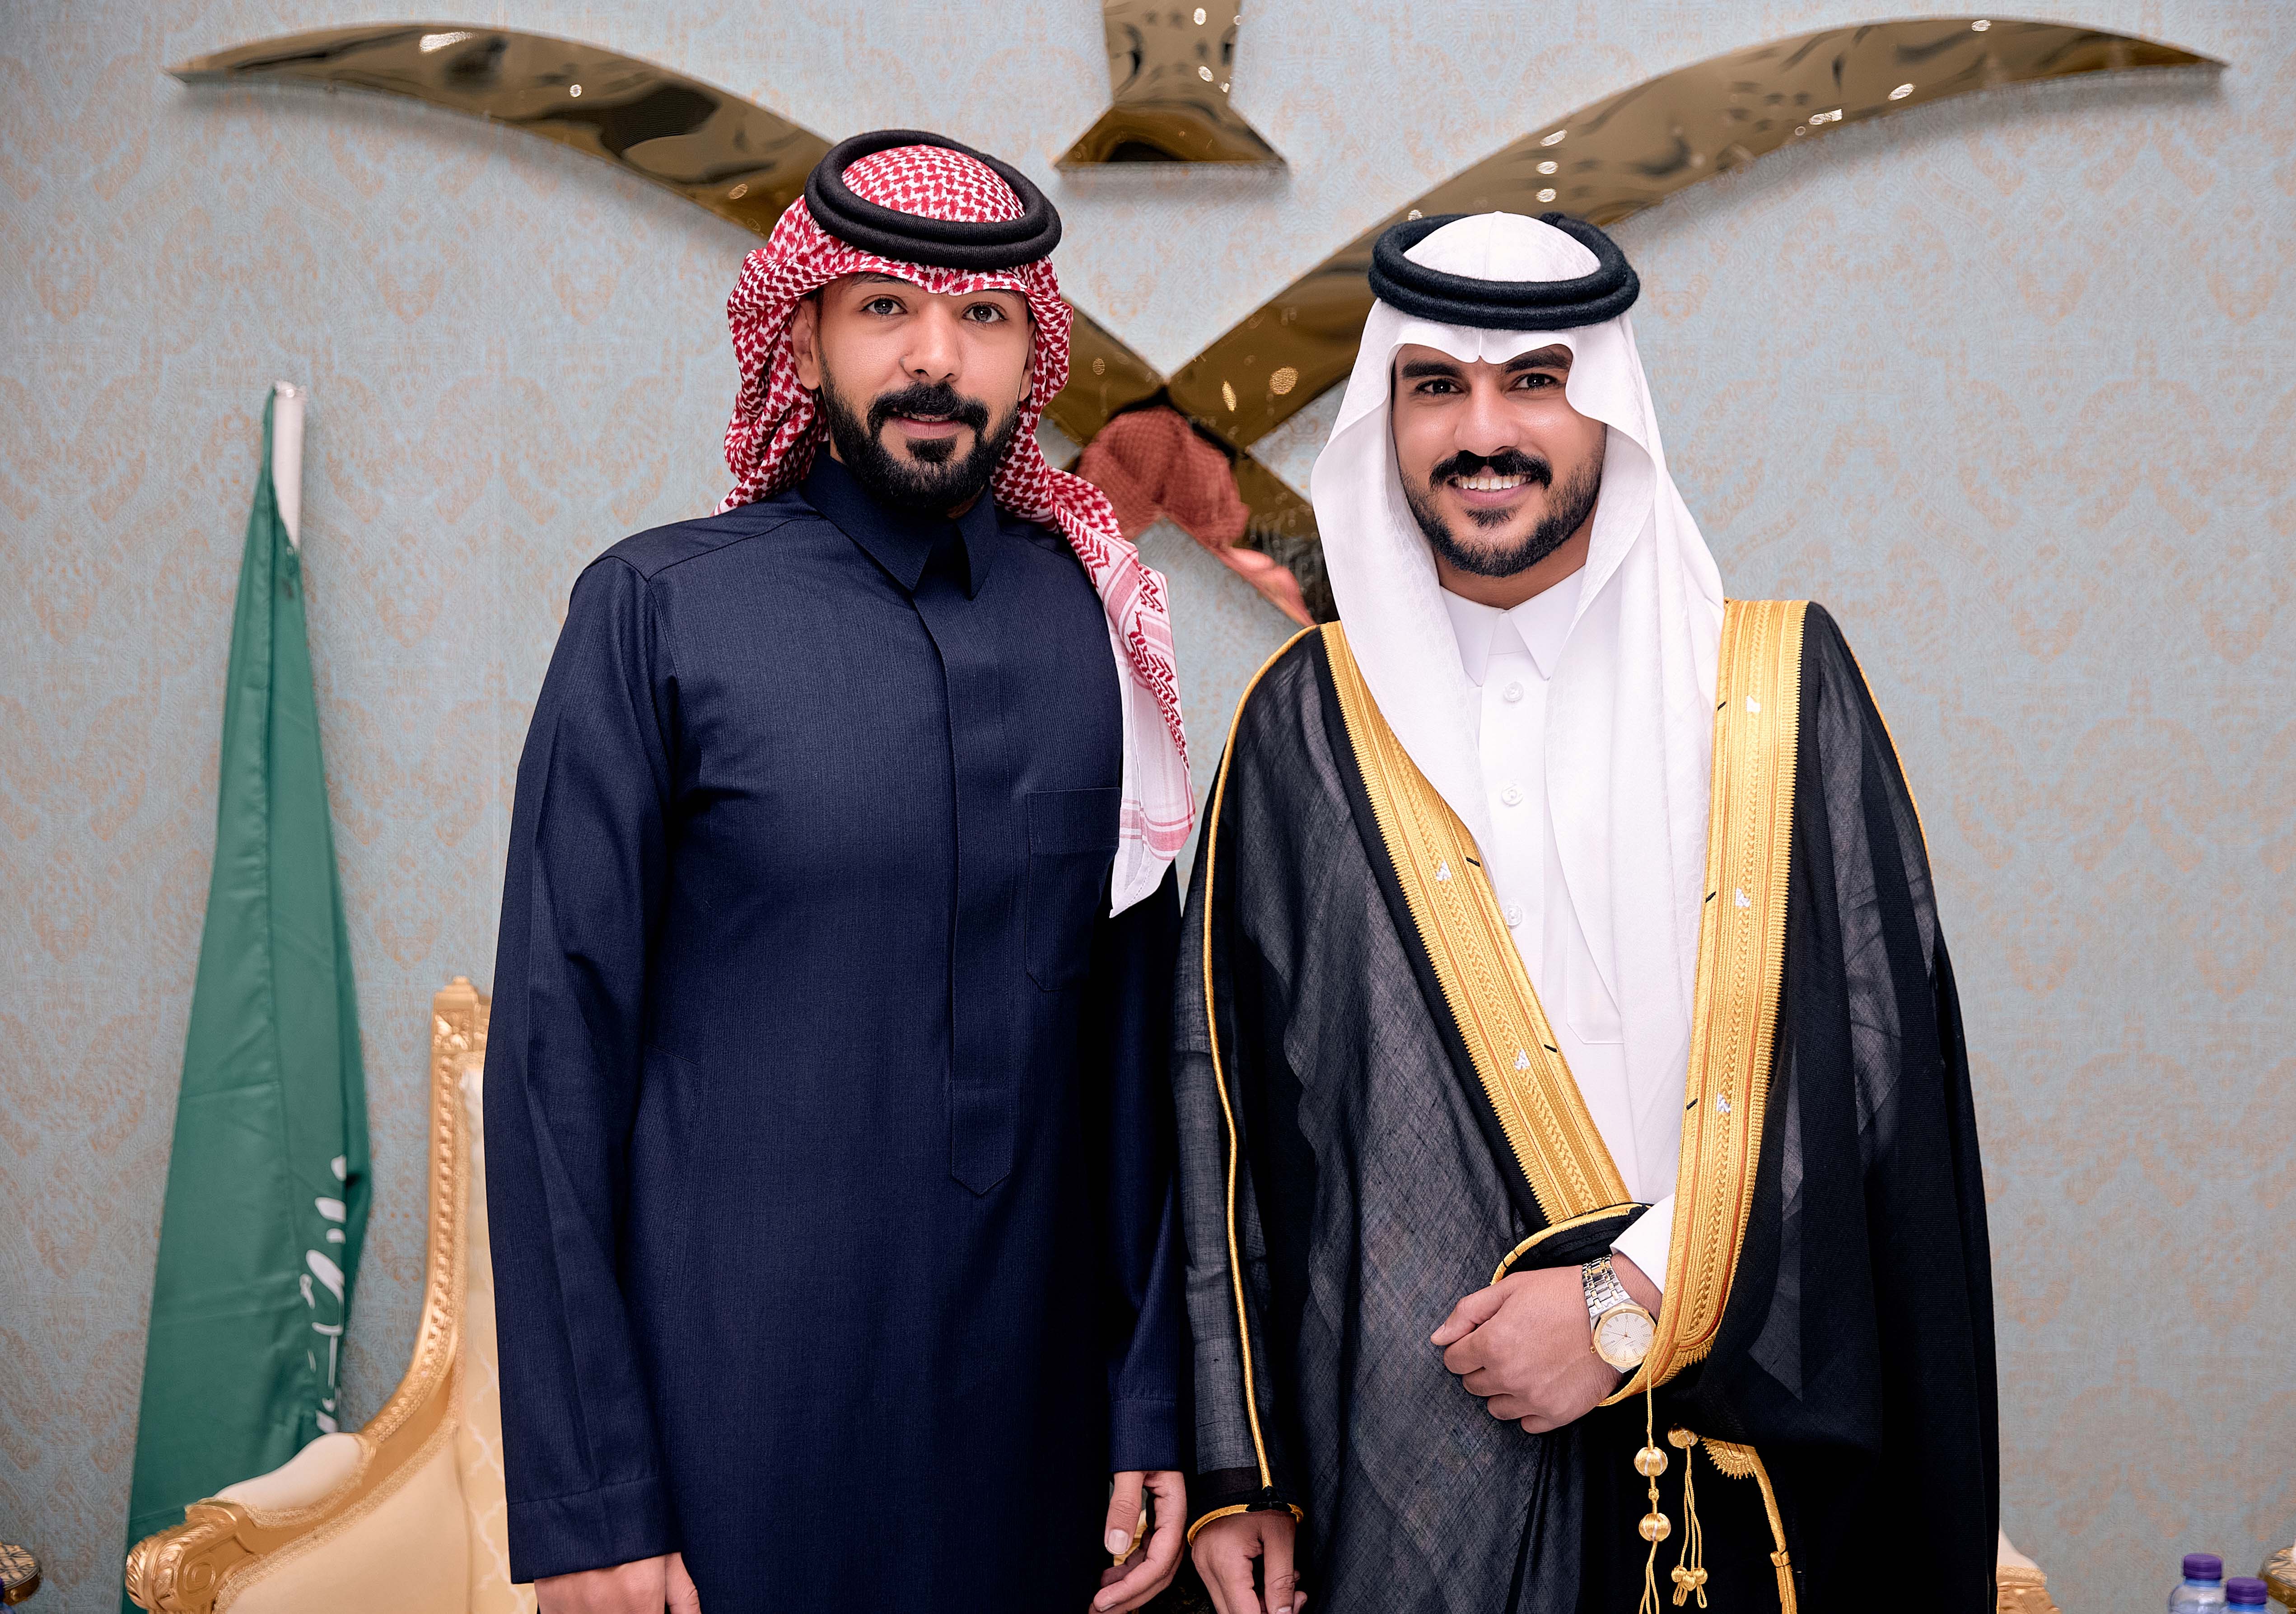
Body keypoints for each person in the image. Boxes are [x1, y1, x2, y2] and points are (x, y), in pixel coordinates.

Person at [1175, 211, 1997, 1614]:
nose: (1481, 432)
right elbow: (1225, 1108)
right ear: (1386, 417)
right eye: (1434, 387)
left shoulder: (1771, 690)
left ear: (1607, 406)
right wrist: (1239, 1467)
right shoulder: (1303, 723)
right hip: (1403, 1475)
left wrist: (1626, 1305)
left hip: (1733, 1463)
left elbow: (1867, 1071)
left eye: (1534, 383)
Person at [484, 130, 1194, 1614]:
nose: (935, 358)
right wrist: (591, 1503)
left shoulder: (1097, 628)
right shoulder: (655, 612)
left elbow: (1142, 1064)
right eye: (884, 310)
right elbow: (556, 1071)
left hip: (1042, 1458)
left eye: (981, 316)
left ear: (1032, 357)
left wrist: (1150, 1410)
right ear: (801, 343)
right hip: (735, 1439)